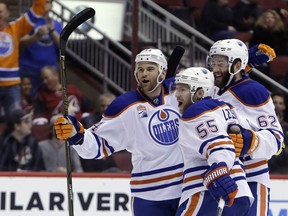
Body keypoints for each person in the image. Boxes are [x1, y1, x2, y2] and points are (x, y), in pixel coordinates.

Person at [54, 48, 183, 216]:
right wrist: (76, 134)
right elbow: (98, 145)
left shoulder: (180, 92)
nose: (144, 74)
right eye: (141, 69)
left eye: (150, 69)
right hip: (148, 194)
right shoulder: (124, 106)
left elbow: (210, 106)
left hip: (185, 188)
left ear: (163, 72)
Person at [208, 39, 284, 215]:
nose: (215, 69)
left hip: (252, 177)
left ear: (235, 65)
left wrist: (250, 141)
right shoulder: (211, 88)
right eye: (214, 62)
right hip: (220, 178)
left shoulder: (253, 91)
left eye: (221, 63)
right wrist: (242, 64)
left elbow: (276, 139)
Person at [175, 67, 253, 215]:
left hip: (209, 192)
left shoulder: (196, 111)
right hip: (241, 192)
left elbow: (219, 144)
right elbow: (246, 136)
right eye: (177, 89)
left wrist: (220, 169)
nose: (177, 95)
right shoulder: (228, 108)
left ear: (199, 93)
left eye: (183, 90)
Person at [0, 0, 46, 122]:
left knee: (15, 121)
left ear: (8, 13)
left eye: (0, 11)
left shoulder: (15, 28)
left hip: (11, 85)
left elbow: (36, 13)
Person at [20, 0, 62, 98]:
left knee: (52, 99)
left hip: (50, 69)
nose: (44, 4)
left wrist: (52, 30)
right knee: (30, 100)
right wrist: (36, 35)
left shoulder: (56, 23)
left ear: (51, 5)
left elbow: (62, 44)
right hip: (29, 68)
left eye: (47, 2)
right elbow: (21, 43)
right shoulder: (27, 21)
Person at [268, 91, 288, 174]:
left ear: (284, 106)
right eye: (275, 102)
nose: (277, 106)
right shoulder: (260, 126)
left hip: (283, 169)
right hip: (266, 167)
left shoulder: (286, 127)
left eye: (280, 103)